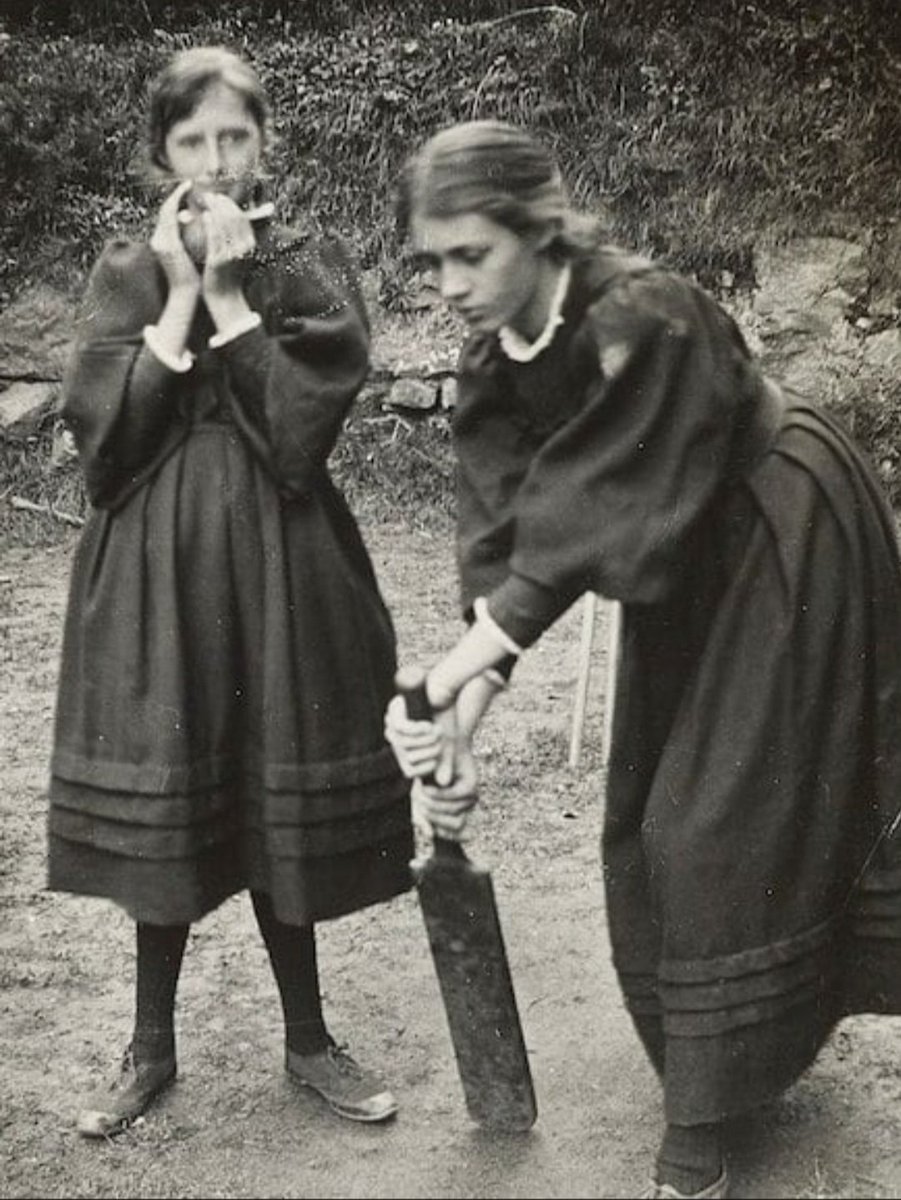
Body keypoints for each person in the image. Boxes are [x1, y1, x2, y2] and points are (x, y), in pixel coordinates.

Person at [383, 120, 901, 1200]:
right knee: (646, 816)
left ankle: (700, 1130)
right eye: (432, 263)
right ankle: (717, 1067)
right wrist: (460, 719)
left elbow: (594, 518)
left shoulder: (642, 314)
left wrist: (460, 668)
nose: (449, 285)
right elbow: (507, 549)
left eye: (471, 254)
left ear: (538, 229)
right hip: (677, 561)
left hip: (780, 533)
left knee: (716, 825)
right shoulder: (493, 360)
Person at [49, 46, 413, 1138]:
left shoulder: (303, 263)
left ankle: (308, 1039)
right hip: (153, 573)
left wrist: (227, 296)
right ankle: (149, 1047)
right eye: (193, 140)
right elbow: (107, 455)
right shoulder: (126, 268)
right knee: (171, 785)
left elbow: (300, 439)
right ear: (161, 153)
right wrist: (175, 299)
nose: (216, 159)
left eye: (235, 136)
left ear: (264, 141)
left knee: (273, 780)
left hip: (282, 565)